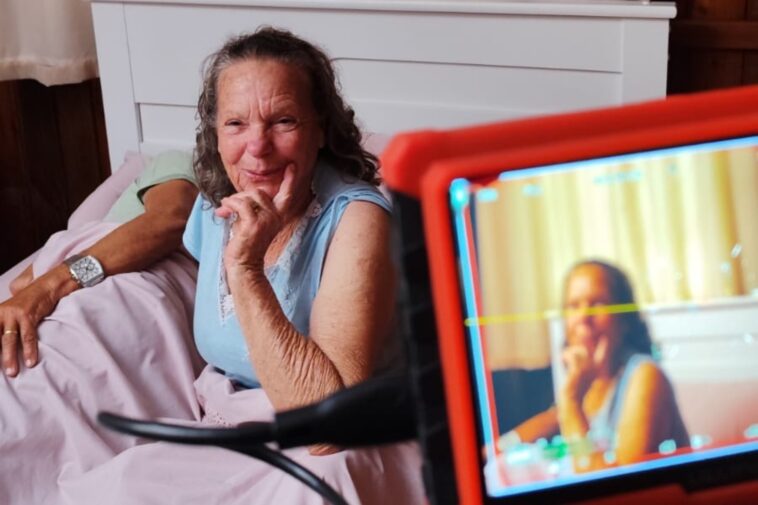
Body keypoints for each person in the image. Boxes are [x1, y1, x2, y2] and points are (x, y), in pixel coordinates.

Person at [0, 27, 422, 505]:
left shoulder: (358, 219)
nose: (257, 147)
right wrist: (54, 277)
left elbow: (330, 428)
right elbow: (159, 233)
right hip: (230, 425)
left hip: (339, 444)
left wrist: (245, 269)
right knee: (120, 486)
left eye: (283, 121)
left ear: (321, 127)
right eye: (236, 124)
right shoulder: (216, 205)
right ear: (215, 134)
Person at [0, 150, 198, 377]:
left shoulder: (184, 176)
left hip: (126, 295)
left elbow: (168, 221)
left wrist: (46, 287)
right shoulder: (174, 164)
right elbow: (21, 283)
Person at [496, 260, 689, 470]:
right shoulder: (589, 380)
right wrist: (497, 449)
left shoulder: (646, 375)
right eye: (573, 306)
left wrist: (571, 401)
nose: (583, 317)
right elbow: (552, 419)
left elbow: (617, 485)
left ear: (624, 320)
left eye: (597, 303)